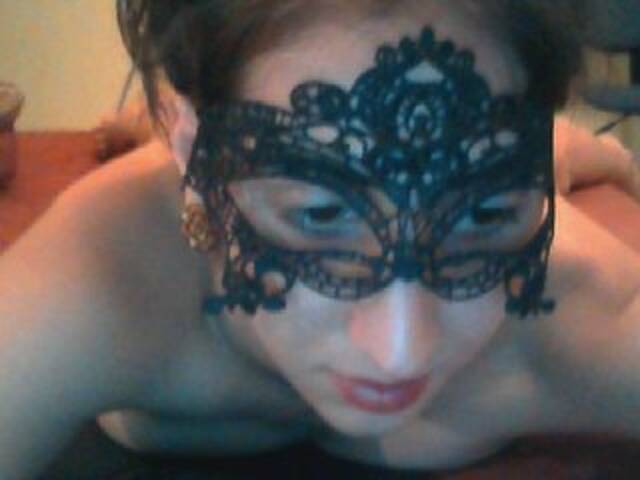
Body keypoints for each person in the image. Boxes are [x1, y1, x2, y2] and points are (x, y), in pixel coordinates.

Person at [2, 1, 640, 478]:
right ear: (197, 157)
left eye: (485, 214)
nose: (400, 354)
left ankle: (586, 152)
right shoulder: (102, 274)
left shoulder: (586, 316)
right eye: (320, 214)